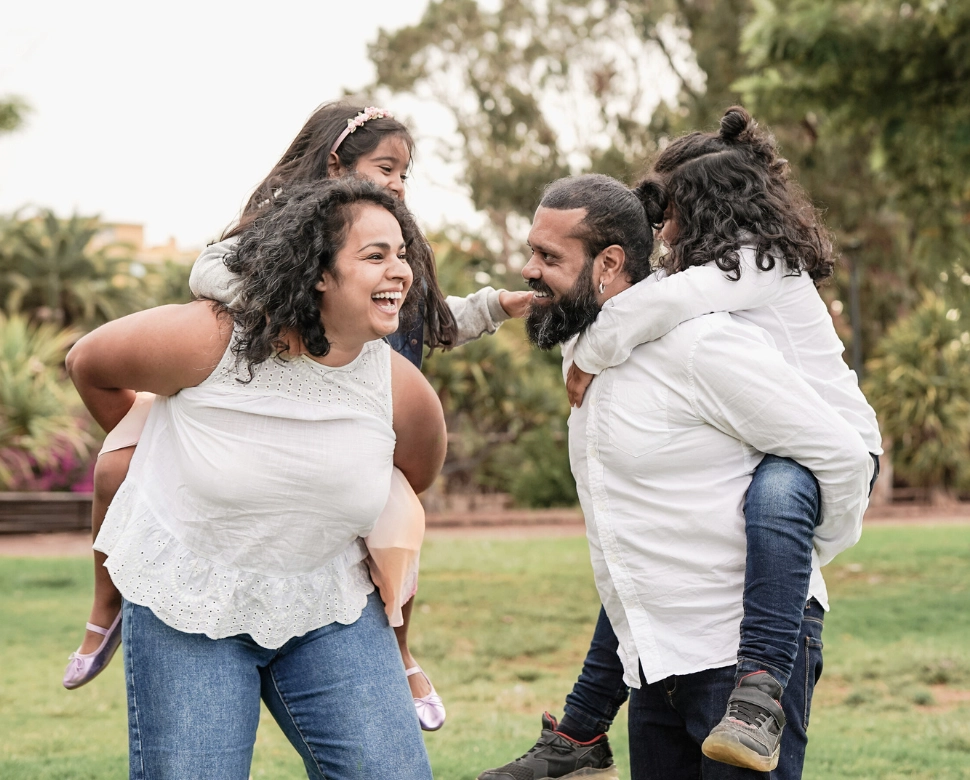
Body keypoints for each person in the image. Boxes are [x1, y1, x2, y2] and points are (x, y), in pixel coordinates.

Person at [63, 102, 532, 730]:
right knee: (117, 470)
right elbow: (207, 271)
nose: (395, 183)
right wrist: (277, 310)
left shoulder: (390, 270)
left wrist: (497, 304)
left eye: (404, 173)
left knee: (396, 532)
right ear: (335, 163)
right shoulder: (263, 249)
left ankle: (397, 649)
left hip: (355, 432)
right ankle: (104, 612)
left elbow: (438, 318)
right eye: (383, 167)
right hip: (234, 393)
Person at [478, 171, 875, 780]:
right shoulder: (588, 347)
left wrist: (823, 544)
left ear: (608, 265)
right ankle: (581, 733)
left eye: (547, 257)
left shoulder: (701, 344)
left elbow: (842, 456)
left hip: (737, 664)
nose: (529, 270)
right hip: (654, 661)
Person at [66, 177, 444, 779]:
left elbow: (412, 477)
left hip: (328, 607)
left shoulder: (402, 390)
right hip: (187, 597)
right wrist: (157, 449)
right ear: (320, 272)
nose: (400, 270)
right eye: (375, 256)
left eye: (402, 254)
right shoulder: (211, 337)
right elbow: (88, 364)